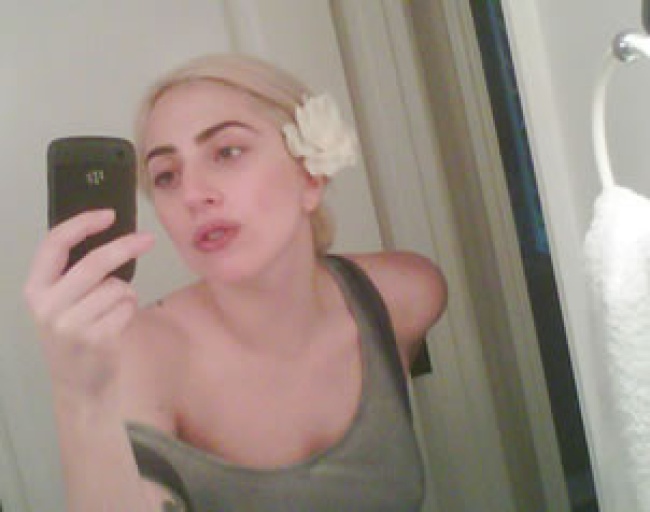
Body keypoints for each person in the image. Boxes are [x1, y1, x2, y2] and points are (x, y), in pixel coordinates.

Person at [24, 53, 447, 511]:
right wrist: (80, 400)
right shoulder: (138, 354)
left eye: (227, 152)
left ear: (310, 177)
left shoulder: (406, 295)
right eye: (166, 176)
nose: (192, 194)